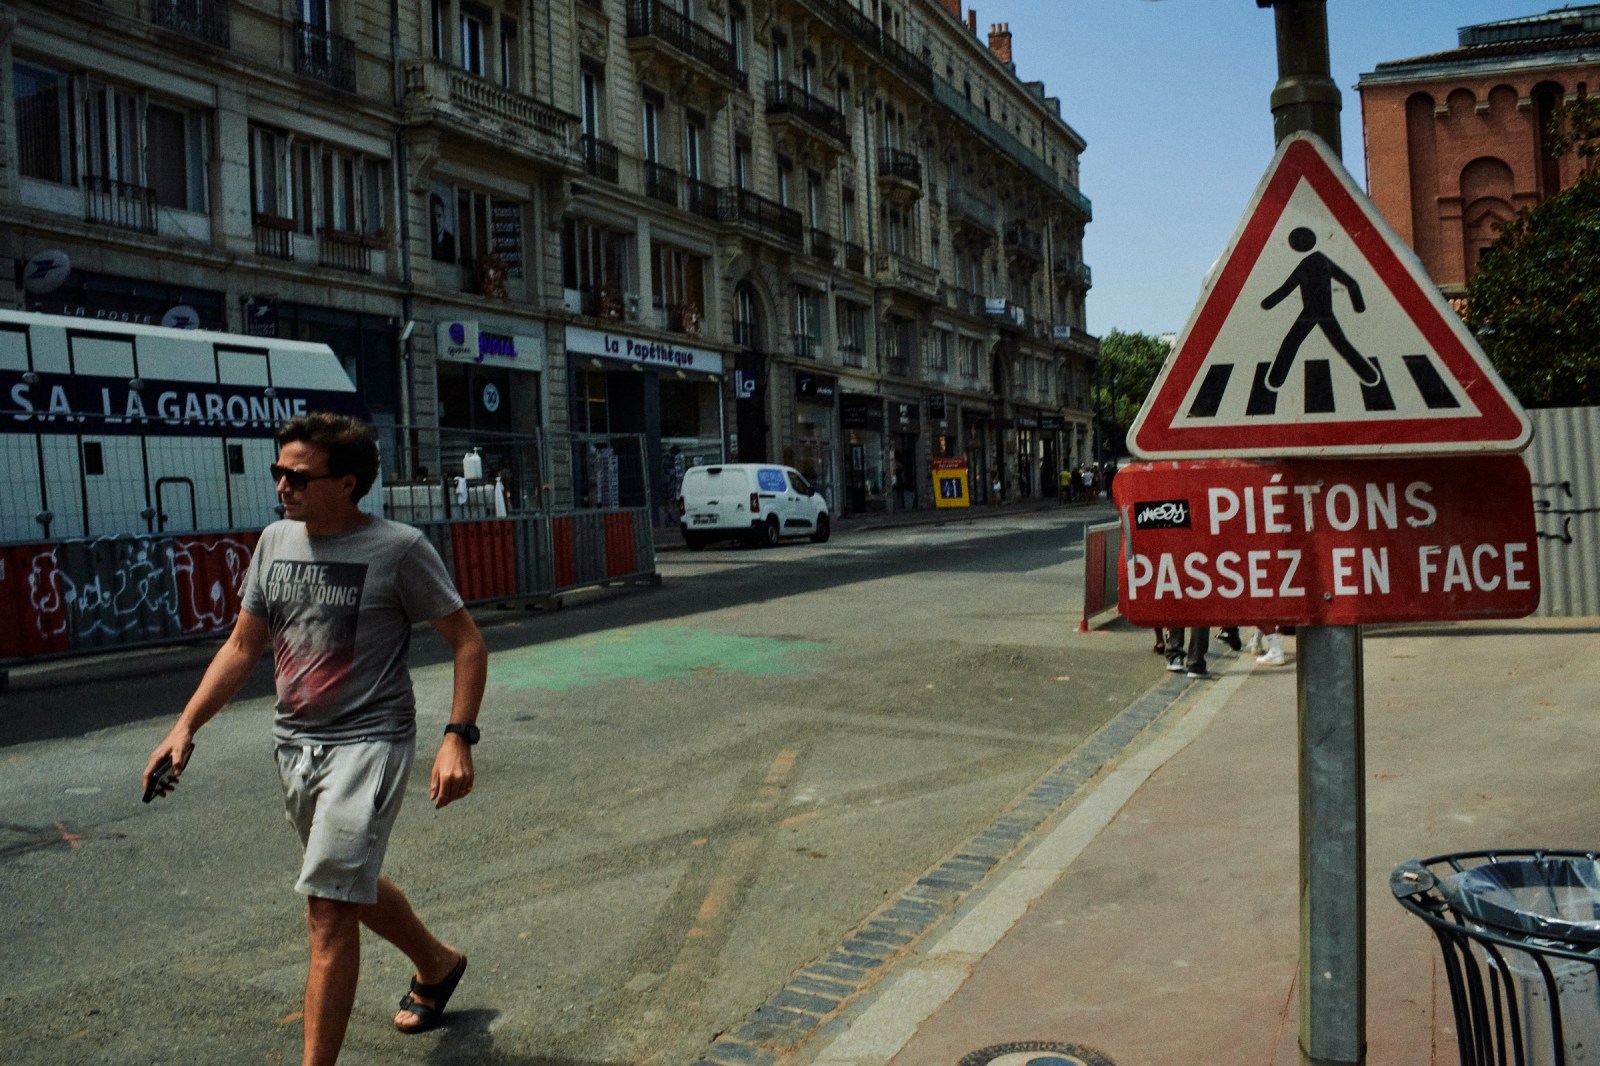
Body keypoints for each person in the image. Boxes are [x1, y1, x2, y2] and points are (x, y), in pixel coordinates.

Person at [142, 412, 488, 1065]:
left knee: (327, 907)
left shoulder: (399, 549)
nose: (282, 486)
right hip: (297, 744)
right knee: (345, 882)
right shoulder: (274, 542)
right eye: (279, 472)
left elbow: (467, 642)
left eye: (298, 476)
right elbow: (244, 645)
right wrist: (184, 727)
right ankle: (437, 963)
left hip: (372, 740)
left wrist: (457, 737)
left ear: (347, 482)